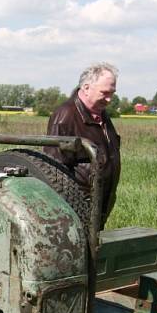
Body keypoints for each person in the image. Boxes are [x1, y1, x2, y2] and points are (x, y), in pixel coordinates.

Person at [44, 62, 121, 228]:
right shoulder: (65, 116)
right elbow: (53, 169)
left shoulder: (101, 115)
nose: (109, 99)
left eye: (112, 93)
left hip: (99, 202)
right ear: (86, 88)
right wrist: (73, 204)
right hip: (76, 205)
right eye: (105, 93)